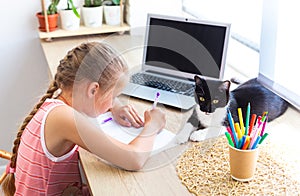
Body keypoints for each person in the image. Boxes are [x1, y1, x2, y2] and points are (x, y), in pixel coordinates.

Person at [1, 42, 166, 195]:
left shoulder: (56, 104)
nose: (114, 101)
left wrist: (114, 105)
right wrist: (152, 125)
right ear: (93, 90)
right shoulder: (65, 118)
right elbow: (134, 159)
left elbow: (99, 96)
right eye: (114, 95)